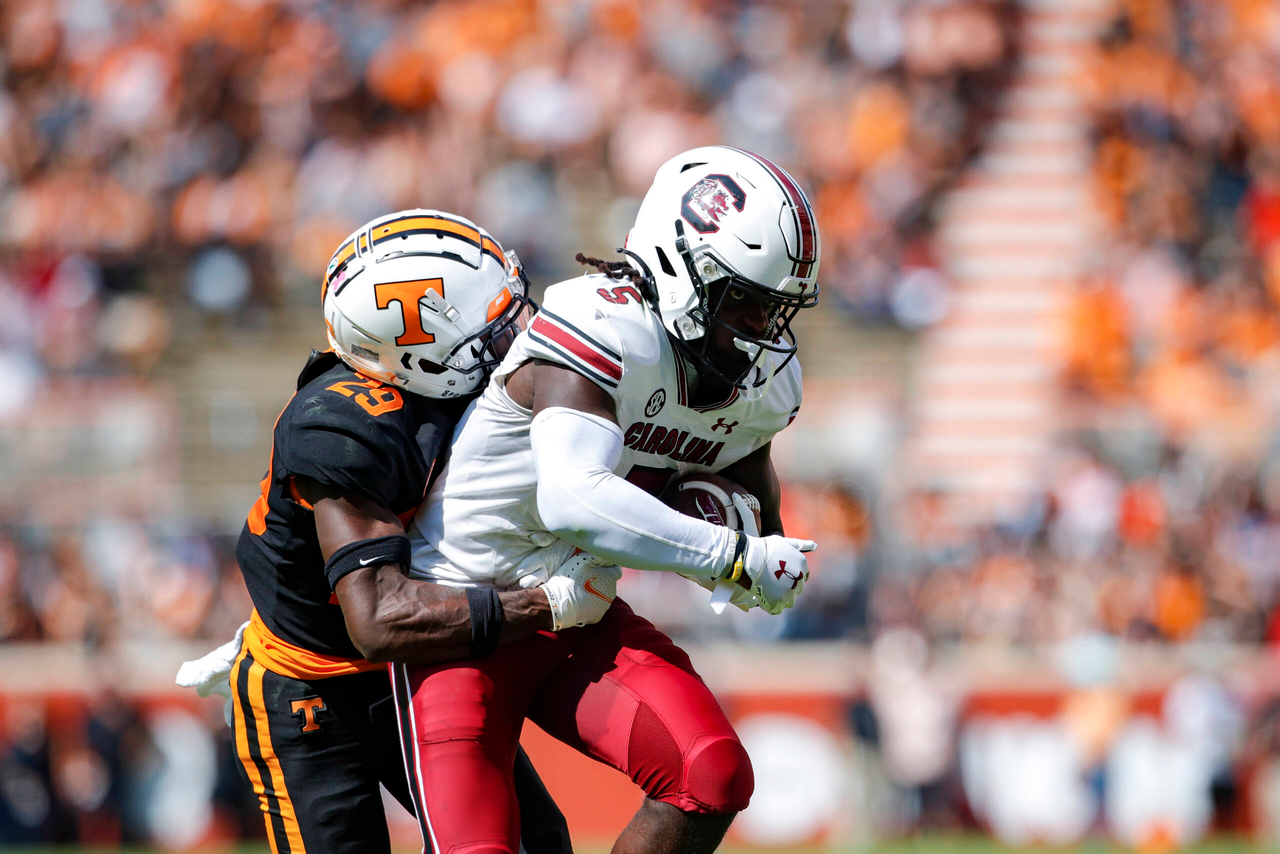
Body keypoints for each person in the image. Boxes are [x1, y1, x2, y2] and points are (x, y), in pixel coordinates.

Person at [396, 147, 821, 854]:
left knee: (711, 772)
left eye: (775, 310)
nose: (759, 331)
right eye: (743, 299)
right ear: (681, 267)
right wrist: (731, 557)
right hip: (458, 618)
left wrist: (752, 542)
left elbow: (754, 508)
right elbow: (574, 499)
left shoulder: (760, 384)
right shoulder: (602, 322)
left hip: (577, 613)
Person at [223, 210, 618, 854]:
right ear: (425, 354)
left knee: (532, 840)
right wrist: (546, 605)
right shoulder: (341, 428)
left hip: (414, 667)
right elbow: (379, 618)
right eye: (494, 326)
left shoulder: (436, 383)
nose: (519, 334)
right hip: (312, 681)